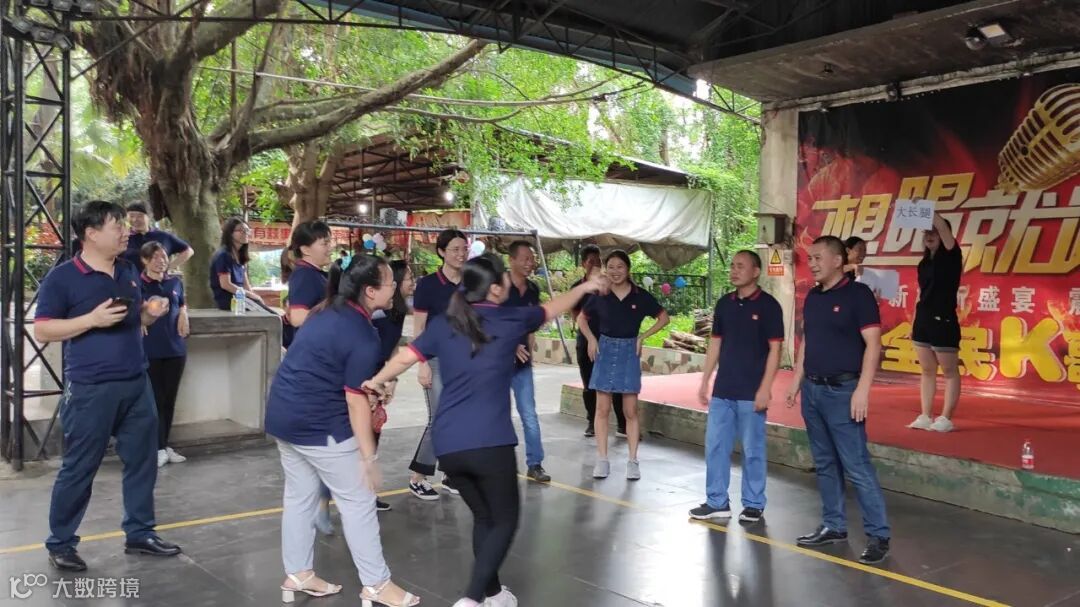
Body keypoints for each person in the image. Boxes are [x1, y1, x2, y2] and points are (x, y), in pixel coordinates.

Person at [363, 253, 608, 607]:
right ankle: (472, 598)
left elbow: (405, 357)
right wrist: (585, 287)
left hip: (448, 445)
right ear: (494, 289)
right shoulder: (510, 318)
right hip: (490, 443)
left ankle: (492, 593)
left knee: (484, 516)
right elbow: (552, 308)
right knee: (505, 520)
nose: (508, 279)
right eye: (503, 276)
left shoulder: (446, 322)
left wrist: (375, 380)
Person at [264, 254, 419, 607]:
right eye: (390, 283)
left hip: (284, 417)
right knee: (359, 501)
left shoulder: (326, 311)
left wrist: (374, 387)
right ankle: (377, 584)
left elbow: (333, 371)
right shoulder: (362, 332)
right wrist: (369, 457)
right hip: (320, 424)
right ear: (370, 291)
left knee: (300, 497)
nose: (396, 287)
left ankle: (298, 574)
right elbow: (354, 401)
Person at [34, 200, 180, 572]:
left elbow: (135, 318)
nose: (126, 232)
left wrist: (149, 313)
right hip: (91, 388)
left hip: (136, 382)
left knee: (143, 461)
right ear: (91, 233)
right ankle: (61, 543)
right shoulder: (63, 277)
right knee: (79, 467)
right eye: (117, 226)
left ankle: (140, 532)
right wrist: (92, 320)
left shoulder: (128, 269)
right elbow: (43, 330)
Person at [785, 235, 891, 565]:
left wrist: (862, 390)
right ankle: (833, 525)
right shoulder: (814, 297)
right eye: (810, 258)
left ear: (837, 260)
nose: (812, 263)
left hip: (843, 391)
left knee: (856, 465)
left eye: (818, 257)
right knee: (825, 462)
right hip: (813, 391)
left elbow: (873, 344)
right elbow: (807, 341)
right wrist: (797, 381)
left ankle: (878, 535)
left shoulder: (858, 295)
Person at [689, 250, 783, 524]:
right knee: (715, 447)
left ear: (756, 272)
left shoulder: (769, 306)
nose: (734, 270)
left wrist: (765, 388)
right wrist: (705, 380)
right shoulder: (724, 304)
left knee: (753, 450)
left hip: (751, 392)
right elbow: (715, 343)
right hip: (723, 390)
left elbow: (775, 350)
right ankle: (717, 502)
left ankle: (753, 503)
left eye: (741, 266)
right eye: (732, 266)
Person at [578, 250, 670, 481]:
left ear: (628, 269)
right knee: (602, 409)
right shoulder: (600, 294)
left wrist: (642, 337)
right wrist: (591, 339)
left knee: (630, 411)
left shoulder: (640, 296)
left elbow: (663, 318)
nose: (615, 271)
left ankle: (633, 461)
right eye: (611, 267)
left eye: (620, 267)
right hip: (605, 350)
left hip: (629, 351)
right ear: (605, 269)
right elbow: (581, 319)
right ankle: (602, 460)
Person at [408, 228, 468, 499]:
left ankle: (450, 474)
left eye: (464, 249)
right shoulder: (428, 285)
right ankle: (418, 477)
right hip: (434, 360)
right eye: (455, 249)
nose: (461, 254)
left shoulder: (470, 284)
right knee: (440, 418)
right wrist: (421, 363)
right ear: (442, 252)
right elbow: (418, 328)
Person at [139, 241, 191, 469]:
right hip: (150, 349)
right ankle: (156, 448)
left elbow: (182, 303)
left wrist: (184, 313)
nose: (161, 261)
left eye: (163, 257)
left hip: (175, 348)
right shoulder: (138, 284)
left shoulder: (175, 282)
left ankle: (165, 444)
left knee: (169, 399)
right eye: (155, 257)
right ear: (145, 260)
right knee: (155, 401)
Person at [908, 214, 962, 432]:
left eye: (934, 232)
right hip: (923, 319)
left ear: (944, 235)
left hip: (943, 319)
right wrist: (914, 320)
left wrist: (922, 208)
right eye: (926, 232)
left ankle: (946, 418)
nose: (929, 236)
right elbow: (921, 293)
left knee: (949, 371)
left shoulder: (951, 254)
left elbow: (940, 224)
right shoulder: (924, 263)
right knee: (927, 370)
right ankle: (925, 415)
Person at [503, 240, 550, 482]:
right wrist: (510, 346)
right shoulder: (498, 287)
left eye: (532, 259)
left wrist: (529, 352)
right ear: (511, 260)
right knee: (499, 415)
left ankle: (535, 464)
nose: (530, 263)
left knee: (529, 414)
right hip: (497, 364)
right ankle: (502, 464)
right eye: (525, 259)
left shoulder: (532, 290)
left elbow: (531, 327)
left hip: (522, 365)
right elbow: (488, 324)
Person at [571, 244, 627, 438]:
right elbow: (575, 313)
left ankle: (622, 424)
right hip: (586, 341)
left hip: (609, 340)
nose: (595, 264)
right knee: (589, 384)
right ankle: (592, 422)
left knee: (616, 383)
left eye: (598, 261)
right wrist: (587, 333)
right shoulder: (577, 288)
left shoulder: (608, 286)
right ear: (583, 264)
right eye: (591, 261)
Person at [283, 221, 333, 349]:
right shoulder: (304, 275)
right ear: (305, 249)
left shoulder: (314, 273)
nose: (331, 248)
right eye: (325, 244)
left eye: (330, 242)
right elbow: (297, 318)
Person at [209, 217, 264, 311]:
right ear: (230, 233)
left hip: (242, 298)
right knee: (265, 312)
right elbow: (226, 284)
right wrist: (250, 295)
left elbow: (246, 285)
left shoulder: (240, 256)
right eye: (241, 230)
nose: (245, 233)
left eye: (247, 230)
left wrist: (254, 296)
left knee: (266, 310)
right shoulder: (223, 255)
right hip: (229, 300)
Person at [121, 202, 194, 271]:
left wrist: (168, 267)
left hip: (159, 279)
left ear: (149, 216)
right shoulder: (123, 237)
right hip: (130, 279)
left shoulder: (163, 236)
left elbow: (188, 250)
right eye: (131, 216)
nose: (135, 219)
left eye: (140, 216)